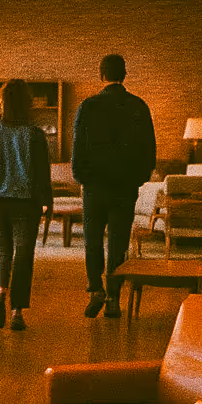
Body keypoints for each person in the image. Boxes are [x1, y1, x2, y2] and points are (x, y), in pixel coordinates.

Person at [71, 54, 156, 319]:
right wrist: (139, 178)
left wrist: (81, 178)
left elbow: (78, 148)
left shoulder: (88, 106)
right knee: (118, 242)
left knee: (93, 240)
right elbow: (149, 149)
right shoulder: (138, 106)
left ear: (101, 75)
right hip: (125, 186)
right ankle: (113, 297)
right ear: (124, 74)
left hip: (95, 185)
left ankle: (95, 289)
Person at [0, 79, 53, 331]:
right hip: (26, 203)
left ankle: (0, 293)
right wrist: (48, 203)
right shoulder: (35, 133)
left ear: (1, 101)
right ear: (26, 103)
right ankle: (17, 311)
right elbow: (43, 174)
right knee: (23, 254)